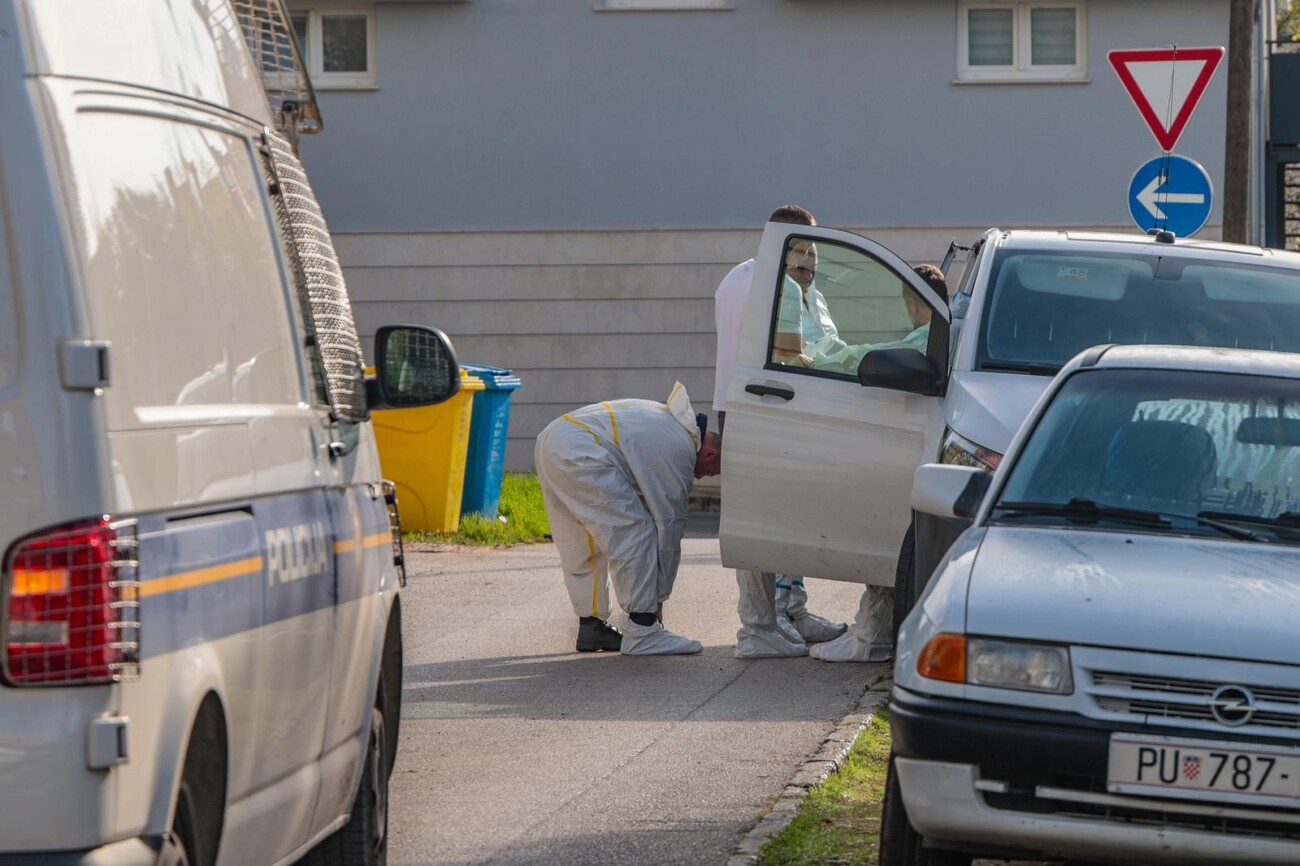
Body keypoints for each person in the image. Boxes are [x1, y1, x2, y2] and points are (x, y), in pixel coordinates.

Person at [711, 204, 847, 658]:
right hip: (772, 412)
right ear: (783, 245)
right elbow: (792, 353)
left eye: (814, 251)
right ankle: (761, 624)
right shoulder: (775, 286)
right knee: (766, 519)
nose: (810, 260)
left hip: (742, 409)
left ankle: (788, 612)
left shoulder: (738, 277)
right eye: (803, 248)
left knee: (781, 516)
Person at [810, 264, 949, 663]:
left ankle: (870, 637)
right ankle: (872, 632)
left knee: (881, 531)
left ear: (912, 303)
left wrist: (818, 355)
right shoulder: (944, 332)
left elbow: (864, 358)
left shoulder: (926, 336)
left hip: (909, 449)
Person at [536, 382, 721, 656]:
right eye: (708, 471)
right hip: (581, 449)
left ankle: (592, 626)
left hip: (553, 440)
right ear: (709, 453)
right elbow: (668, 525)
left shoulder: (668, 422)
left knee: (581, 540)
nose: (701, 477)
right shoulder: (681, 446)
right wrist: (656, 603)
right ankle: (642, 630)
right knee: (637, 531)